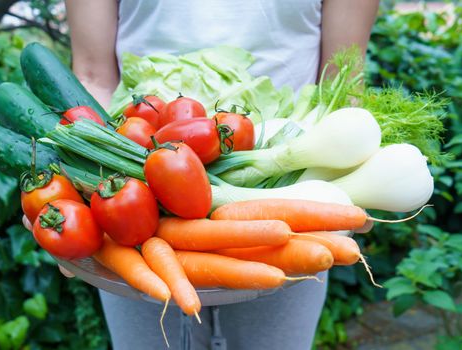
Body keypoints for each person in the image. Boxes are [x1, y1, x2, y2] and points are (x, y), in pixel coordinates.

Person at [26, 1, 379, 348]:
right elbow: (91, 76)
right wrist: (69, 199)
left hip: (292, 205)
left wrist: (356, 183)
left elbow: (344, 82)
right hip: (131, 216)